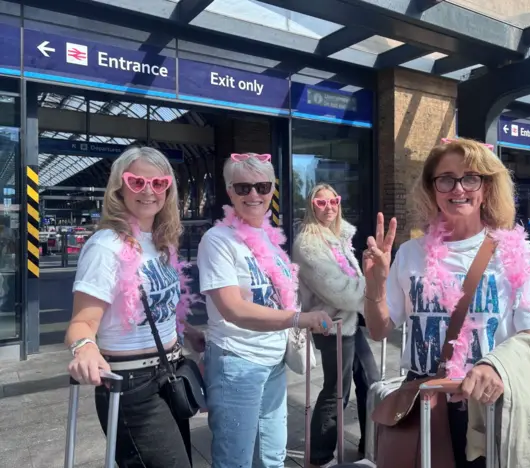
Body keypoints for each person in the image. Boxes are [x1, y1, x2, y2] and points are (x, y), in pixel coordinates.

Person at [362, 138, 530, 467]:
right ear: (432, 188)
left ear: (487, 186)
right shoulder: (410, 253)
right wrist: (375, 289)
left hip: (487, 407)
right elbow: (378, 329)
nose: (458, 188)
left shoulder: (515, 253)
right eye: (446, 179)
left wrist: (493, 366)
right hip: (423, 402)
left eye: (471, 177)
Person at [192, 153, 332, 468]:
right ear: (229, 191)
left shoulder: (269, 239)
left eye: (262, 186)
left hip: (274, 361)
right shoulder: (217, 241)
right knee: (234, 459)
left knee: (273, 456)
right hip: (237, 362)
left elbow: (283, 296)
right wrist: (299, 319)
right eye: (243, 188)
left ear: (272, 190)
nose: (254, 195)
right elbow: (233, 309)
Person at [66, 146, 197, 467]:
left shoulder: (160, 241)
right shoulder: (104, 247)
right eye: (137, 182)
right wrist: (84, 348)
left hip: (169, 373)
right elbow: (81, 323)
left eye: (159, 183)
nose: (149, 191)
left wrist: (187, 332)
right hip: (130, 387)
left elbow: (155, 306)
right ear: (119, 187)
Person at [292, 183, 380, 467]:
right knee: (336, 391)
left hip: (350, 321)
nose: (329, 207)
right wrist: (373, 290)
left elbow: (352, 282)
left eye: (334, 201)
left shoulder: (337, 236)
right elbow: (340, 291)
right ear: (311, 206)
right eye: (321, 203)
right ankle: (320, 455)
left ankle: (372, 444)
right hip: (331, 325)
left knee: (371, 381)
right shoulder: (308, 243)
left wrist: (367, 280)